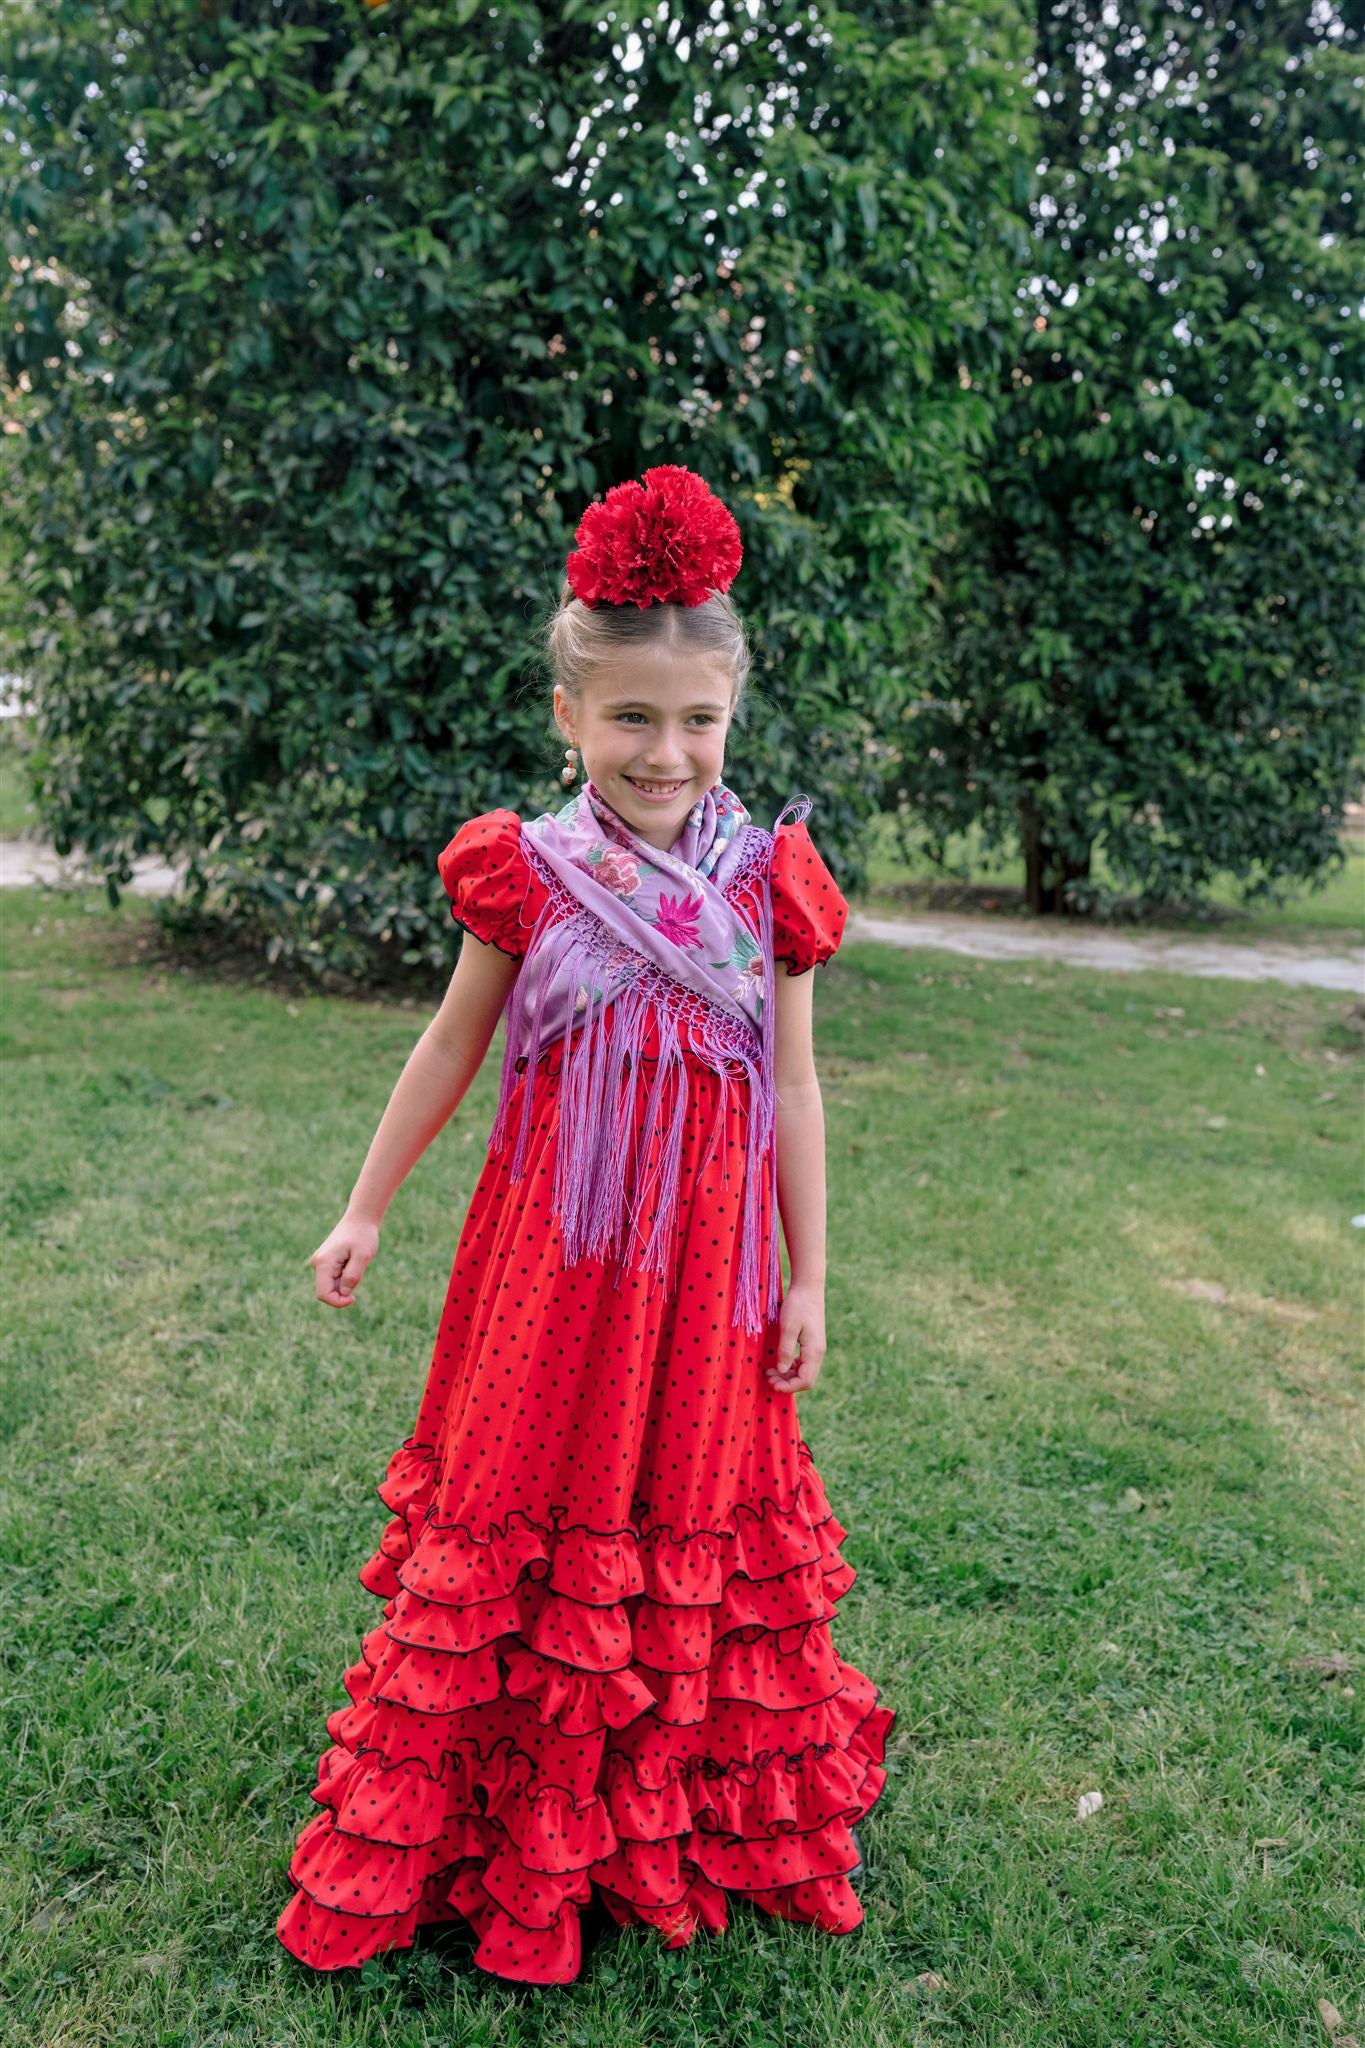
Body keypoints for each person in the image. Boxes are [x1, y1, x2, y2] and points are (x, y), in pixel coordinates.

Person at [275, 464, 894, 1986]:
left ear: (732, 714)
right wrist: (366, 1207)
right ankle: (505, 1801)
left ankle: (668, 1807)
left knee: (679, 1516)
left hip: (705, 1290)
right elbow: (446, 1048)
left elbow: (797, 1092)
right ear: (568, 716)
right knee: (526, 1516)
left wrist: (812, 1275)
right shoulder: (528, 875)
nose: (664, 751)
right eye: (628, 717)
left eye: (696, 720)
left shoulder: (771, 885)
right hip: (550, 1279)